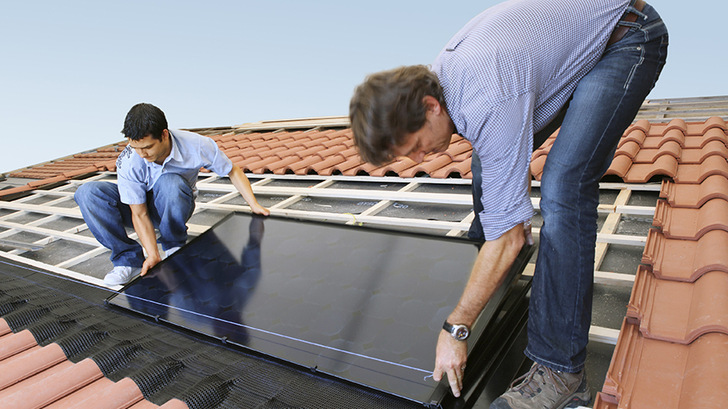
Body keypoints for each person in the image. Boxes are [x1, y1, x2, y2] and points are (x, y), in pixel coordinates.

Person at [349, 0, 667, 407]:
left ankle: (560, 373)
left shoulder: (486, 94)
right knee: (487, 158)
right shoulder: (442, 85)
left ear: (430, 107)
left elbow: (512, 227)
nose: (418, 161)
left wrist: (458, 326)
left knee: (563, 186)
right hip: (571, 43)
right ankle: (494, 269)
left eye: (413, 147)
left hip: (626, 37)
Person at [75, 103, 269, 286]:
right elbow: (139, 213)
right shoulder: (130, 160)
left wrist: (254, 205)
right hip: (138, 209)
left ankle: (173, 246)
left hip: (173, 203)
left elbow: (232, 170)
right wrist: (152, 255)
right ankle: (128, 261)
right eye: (136, 148)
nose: (142, 154)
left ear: (164, 135)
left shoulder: (197, 145)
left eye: (148, 147)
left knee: (170, 181)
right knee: (87, 193)